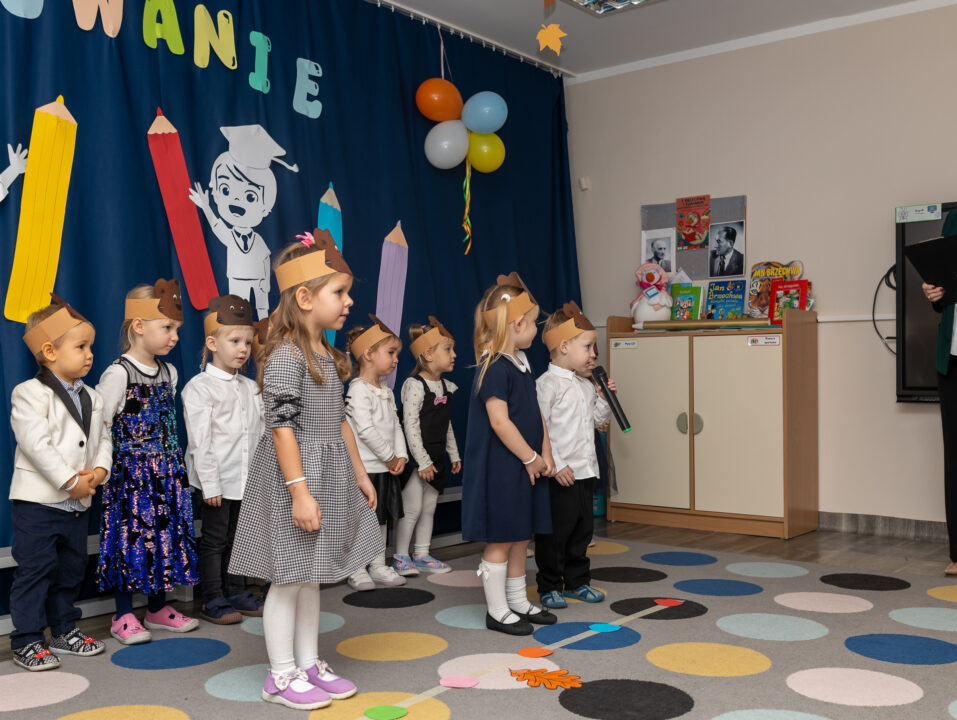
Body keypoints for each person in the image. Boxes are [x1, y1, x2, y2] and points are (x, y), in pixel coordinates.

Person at [227, 231, 382, 711]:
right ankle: (280, 675)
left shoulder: (326, 356)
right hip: (294, 477)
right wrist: (299, 492)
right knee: (288, 577)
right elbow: (280, 429)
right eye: (340, 292)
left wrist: (360, 474)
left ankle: (309, 663)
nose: (349, 301)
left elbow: (339, 422)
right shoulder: (285, 355)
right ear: (305, 298)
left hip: (327, 473)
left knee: (312, 575)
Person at [8, 297, 111, 671]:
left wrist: (98, 473)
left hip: (77, 505)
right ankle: (27, 640)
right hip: (39, 504)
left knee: (70, 569)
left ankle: (64, 629)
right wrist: (70, 481)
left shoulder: (93, 396)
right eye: (81, 346)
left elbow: (103, 439)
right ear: (50, 351)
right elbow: (36, 444)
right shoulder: (29, 393)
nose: (90, 355)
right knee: (36, 571)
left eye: (91, 347)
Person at [95, 280, 200, 645]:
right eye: (167, 327)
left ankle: (157, 608)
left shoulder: (170, 372)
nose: (174, 336)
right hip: (132, 477)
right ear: (138, 325)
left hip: (167, 473)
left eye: (177, 329)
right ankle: (123, 613)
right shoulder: (119, 374)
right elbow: (100, 424)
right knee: (131, 540)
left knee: (164, 538)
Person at [461, 272, 558, 636]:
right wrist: (530, 458)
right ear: (517, 324)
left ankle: (517, 600)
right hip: (504, 468)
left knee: (521, 534)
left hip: (524, 464)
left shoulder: (522, 362)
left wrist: (544, 450)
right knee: (501, 538)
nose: (535, 329)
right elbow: (500, 423)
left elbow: (534, 412)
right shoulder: (494, 368)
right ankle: (497, 610)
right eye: (533, 323)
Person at [182, 295, 265, 625]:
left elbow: (260, 436)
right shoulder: (199, 388)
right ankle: (213, 597)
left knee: (239, 539)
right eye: (235, 341)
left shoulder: (251, 387)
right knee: (215, 541)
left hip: (246, 480)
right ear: (212, 343)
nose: (243, 349)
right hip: (218, 481)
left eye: (248, 342)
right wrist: (210, 484)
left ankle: (236, 591)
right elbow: (200, 442)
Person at [535, 302, 613, 609]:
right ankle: (550, 585)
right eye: (588, 347)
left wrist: (604, 398)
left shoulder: (585, 385)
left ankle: (578, 581)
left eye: (594, 348)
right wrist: (555, 465)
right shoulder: (547, 385)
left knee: (582, 531)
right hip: (560, 474)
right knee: (556, 533)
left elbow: (597, 421)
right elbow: (540, 428)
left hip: (585, 471)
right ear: (564, 346)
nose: (594, 354)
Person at [393, 317, 461, 577]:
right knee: (412, 508)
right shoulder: (414, 385)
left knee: (429, 507)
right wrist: (422, 462)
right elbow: (409, 426)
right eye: (448, 349)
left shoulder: (446, 387)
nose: (454, 355)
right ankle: (401, 556)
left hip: (436, 457)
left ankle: (422, 554)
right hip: (416, 460)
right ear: (428, 355)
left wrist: (453, 454)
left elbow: (447, 424)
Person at [344, 315, 408, 591]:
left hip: (384, 468)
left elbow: (395, 425)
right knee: (361, 520)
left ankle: (378, 564)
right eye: (391, 353)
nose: (396, 360)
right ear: (368, 354)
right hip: (365, 470)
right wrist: (390, 456)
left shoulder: (387, 392)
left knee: (381, 517)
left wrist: (401, 456)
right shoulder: (358, 390)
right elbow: (366, 429)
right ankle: (356, 568)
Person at [922, 269, 957, 576]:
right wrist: (935, 294)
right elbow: (943, 301)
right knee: (954, 458)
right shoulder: (952, 234)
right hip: (952, 362)